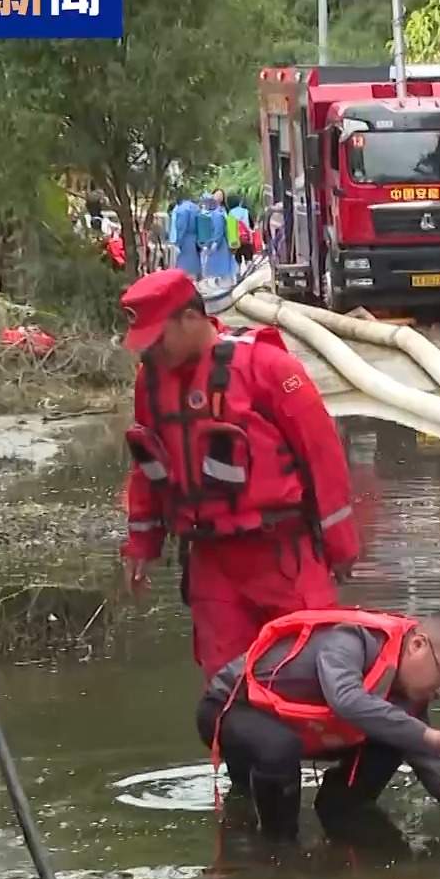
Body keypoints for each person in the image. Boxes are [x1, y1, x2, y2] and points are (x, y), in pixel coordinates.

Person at [118, 269, 362, 681]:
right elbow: (149, 466)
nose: (151, 351)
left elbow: (322, 456)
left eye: (158, 338)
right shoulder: (150, 382)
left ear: (191, 318)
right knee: (227, 693)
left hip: (284, 556)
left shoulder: (267, 365)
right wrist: (142, 544)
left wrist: (341, 546)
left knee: (312, 678)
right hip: (212, 564)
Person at [195, 607, 440, 840]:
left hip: (299, 733)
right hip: (231, 710)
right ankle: (277, 850)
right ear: (418, 645)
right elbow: (346, 699)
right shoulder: (352, 639)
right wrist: (433, 737)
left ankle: (342, 818)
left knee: (394, 737)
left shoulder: (410, 691)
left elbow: (417, 742)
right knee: (277, 750)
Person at [171, 196, 202, 278]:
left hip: (186, 241)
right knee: (195, 266)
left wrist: (178, 242)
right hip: (196, 240)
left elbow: (181, 227)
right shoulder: (196, 208)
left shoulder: (182, 209)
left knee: (185, 269)